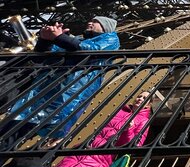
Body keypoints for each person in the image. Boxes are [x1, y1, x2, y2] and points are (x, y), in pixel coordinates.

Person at [1, 16, 120, 152]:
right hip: (42, 93)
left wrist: (60, 38)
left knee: (40, 137)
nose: (89, 22)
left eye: (95, 21)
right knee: (9, 132)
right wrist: (45, 39)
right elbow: (44, 55)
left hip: (67, 97)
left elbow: (87, 50)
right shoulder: (77, 39)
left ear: (106, 27)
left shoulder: (111, 39)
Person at [56, 91, 152, 167]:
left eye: (144, 98)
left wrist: (128, 130)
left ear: (148, 104)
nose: (140, 99)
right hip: (85, 149)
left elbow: (134, 146)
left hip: (101, 158)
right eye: (139, 96)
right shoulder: (120, 111)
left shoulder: (144, 121)